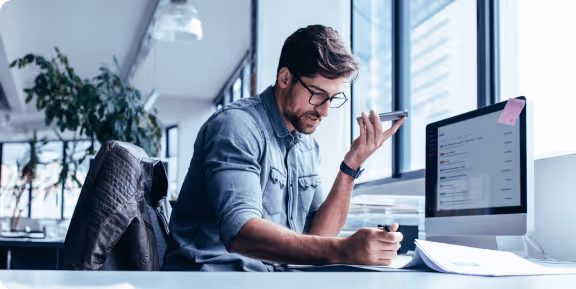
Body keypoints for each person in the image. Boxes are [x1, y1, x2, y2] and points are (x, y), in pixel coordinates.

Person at [163, 25, 406, 272]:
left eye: (332, 99)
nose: (324, 111)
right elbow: (240, 233)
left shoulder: (307, 145)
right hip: (211, 277)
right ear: (285, 78)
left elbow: (317, 238)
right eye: (318, 94)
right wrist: (343, 249)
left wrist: (351, 166)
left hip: (270, 277)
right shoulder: (236, 126)